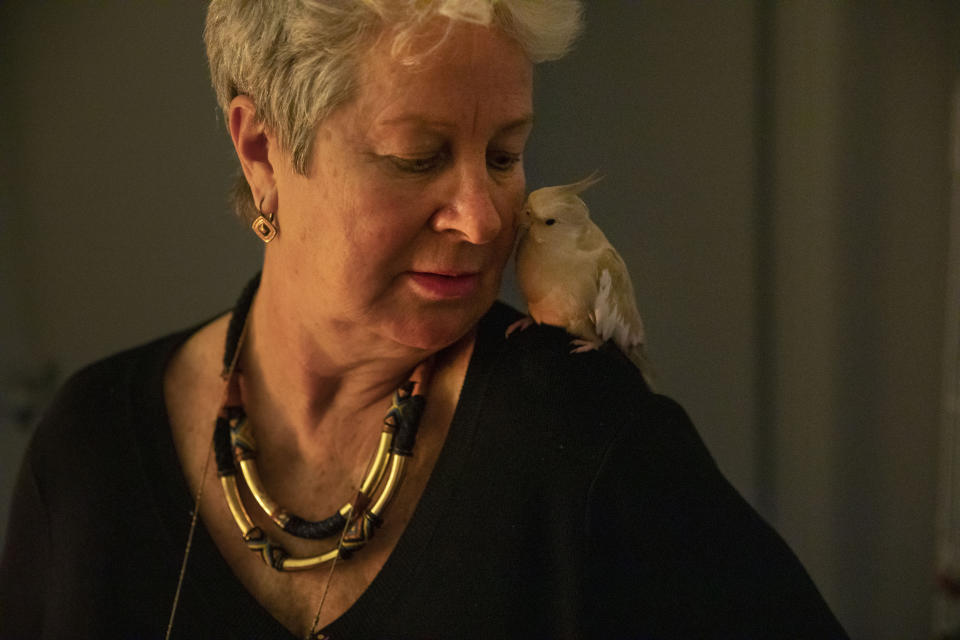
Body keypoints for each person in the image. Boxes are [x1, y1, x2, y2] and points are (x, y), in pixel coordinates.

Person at [0, 1, 849, 638]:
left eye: (506, 155)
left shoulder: (593, 439)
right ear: (261, 151)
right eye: (418, 158)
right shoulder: (90, 451)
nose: (484, 221)